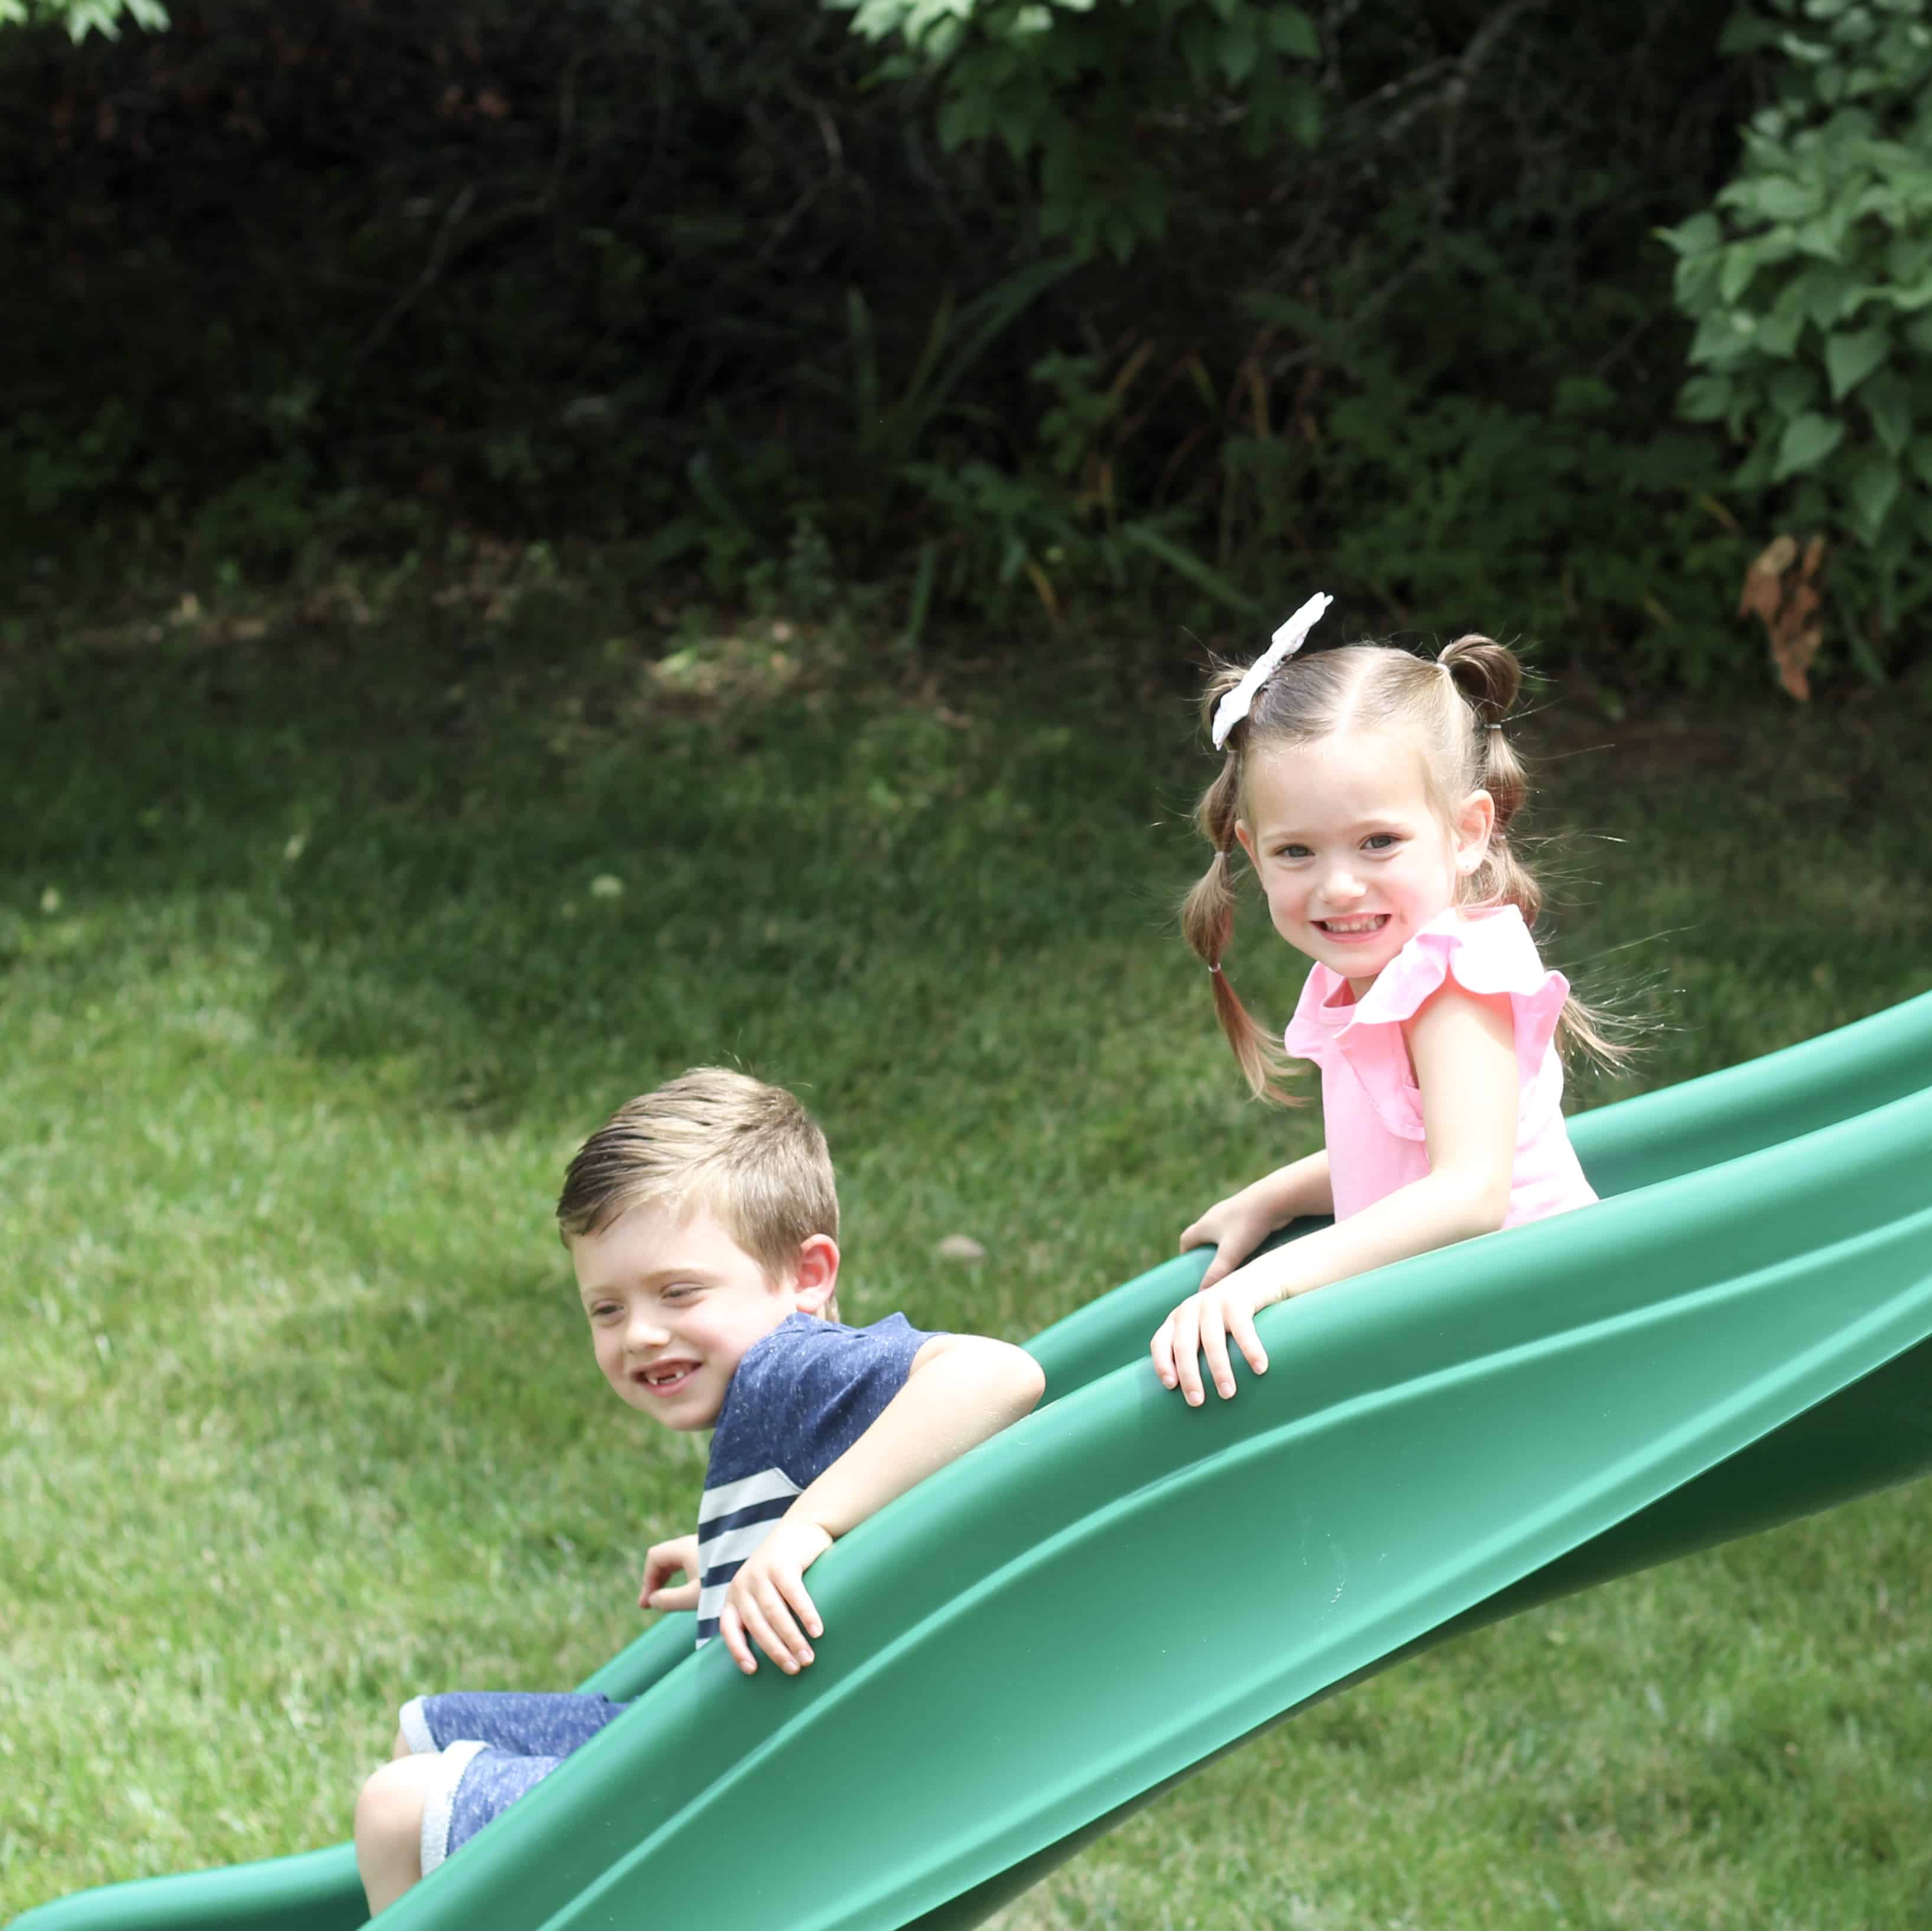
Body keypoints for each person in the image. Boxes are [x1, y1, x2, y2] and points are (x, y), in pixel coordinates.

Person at [353, 1068, 1044, 1915]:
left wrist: (802, 1527)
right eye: (605, 1308)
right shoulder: (784, 1392)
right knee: (426, 1730)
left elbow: (999, 1375)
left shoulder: (794, 1365)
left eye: (678, 1291)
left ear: (806, 1273)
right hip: (746, 1763)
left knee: (397, 1811)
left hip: (765, 1804)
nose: (640, 1332)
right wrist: (735, 1559)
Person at [1151, 593, 1621, 1405]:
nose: (1339, 885)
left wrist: (1274, 1280)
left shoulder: (1451, 979)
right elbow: (1398, 1148)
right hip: (1450, 1326)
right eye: (1296, 850)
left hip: (1536, 1338)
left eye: (1378, 841)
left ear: (1468, 831)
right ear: (1253, 857)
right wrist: (1270, 1199)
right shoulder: (1369, 968)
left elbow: (1469, 1191)